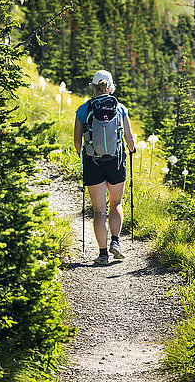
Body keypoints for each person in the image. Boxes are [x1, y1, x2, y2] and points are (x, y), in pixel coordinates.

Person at [74, 70, 136, 264]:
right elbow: (130, 139)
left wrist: (82, 153)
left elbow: (77, 142)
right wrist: (132, 150)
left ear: (93, 87)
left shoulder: (84, 109)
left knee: (99, 210)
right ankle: (116, 242)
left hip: (93, 162)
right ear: (111, 88)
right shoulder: (120, 108)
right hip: (116, 162)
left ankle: (102, 254)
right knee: (116, 203)